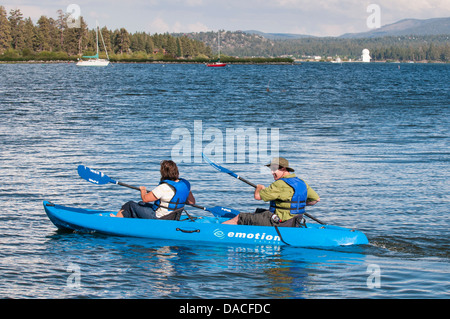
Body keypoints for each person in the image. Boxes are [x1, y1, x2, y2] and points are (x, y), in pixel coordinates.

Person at [223, 157, 320, 227]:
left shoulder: (279, 184)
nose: (272, 172)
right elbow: (316, 199)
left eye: (274, 169)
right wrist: (295, 205)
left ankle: (217, 231)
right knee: (258, 212)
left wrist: (259, 187)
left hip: (280, 222)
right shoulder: (302, 182)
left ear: (283, 169)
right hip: (295, 222)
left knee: (240, 217)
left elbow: (257, 196)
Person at [113, 160, 195, 220]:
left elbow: (145, 199)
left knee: (130, 204)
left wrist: (143, 191)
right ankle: (129, 220)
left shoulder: (163, 187)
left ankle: (116, 221)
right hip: (174, 216)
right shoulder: (185, 185)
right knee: (140, 204)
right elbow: (191, 202)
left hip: (160, 217)